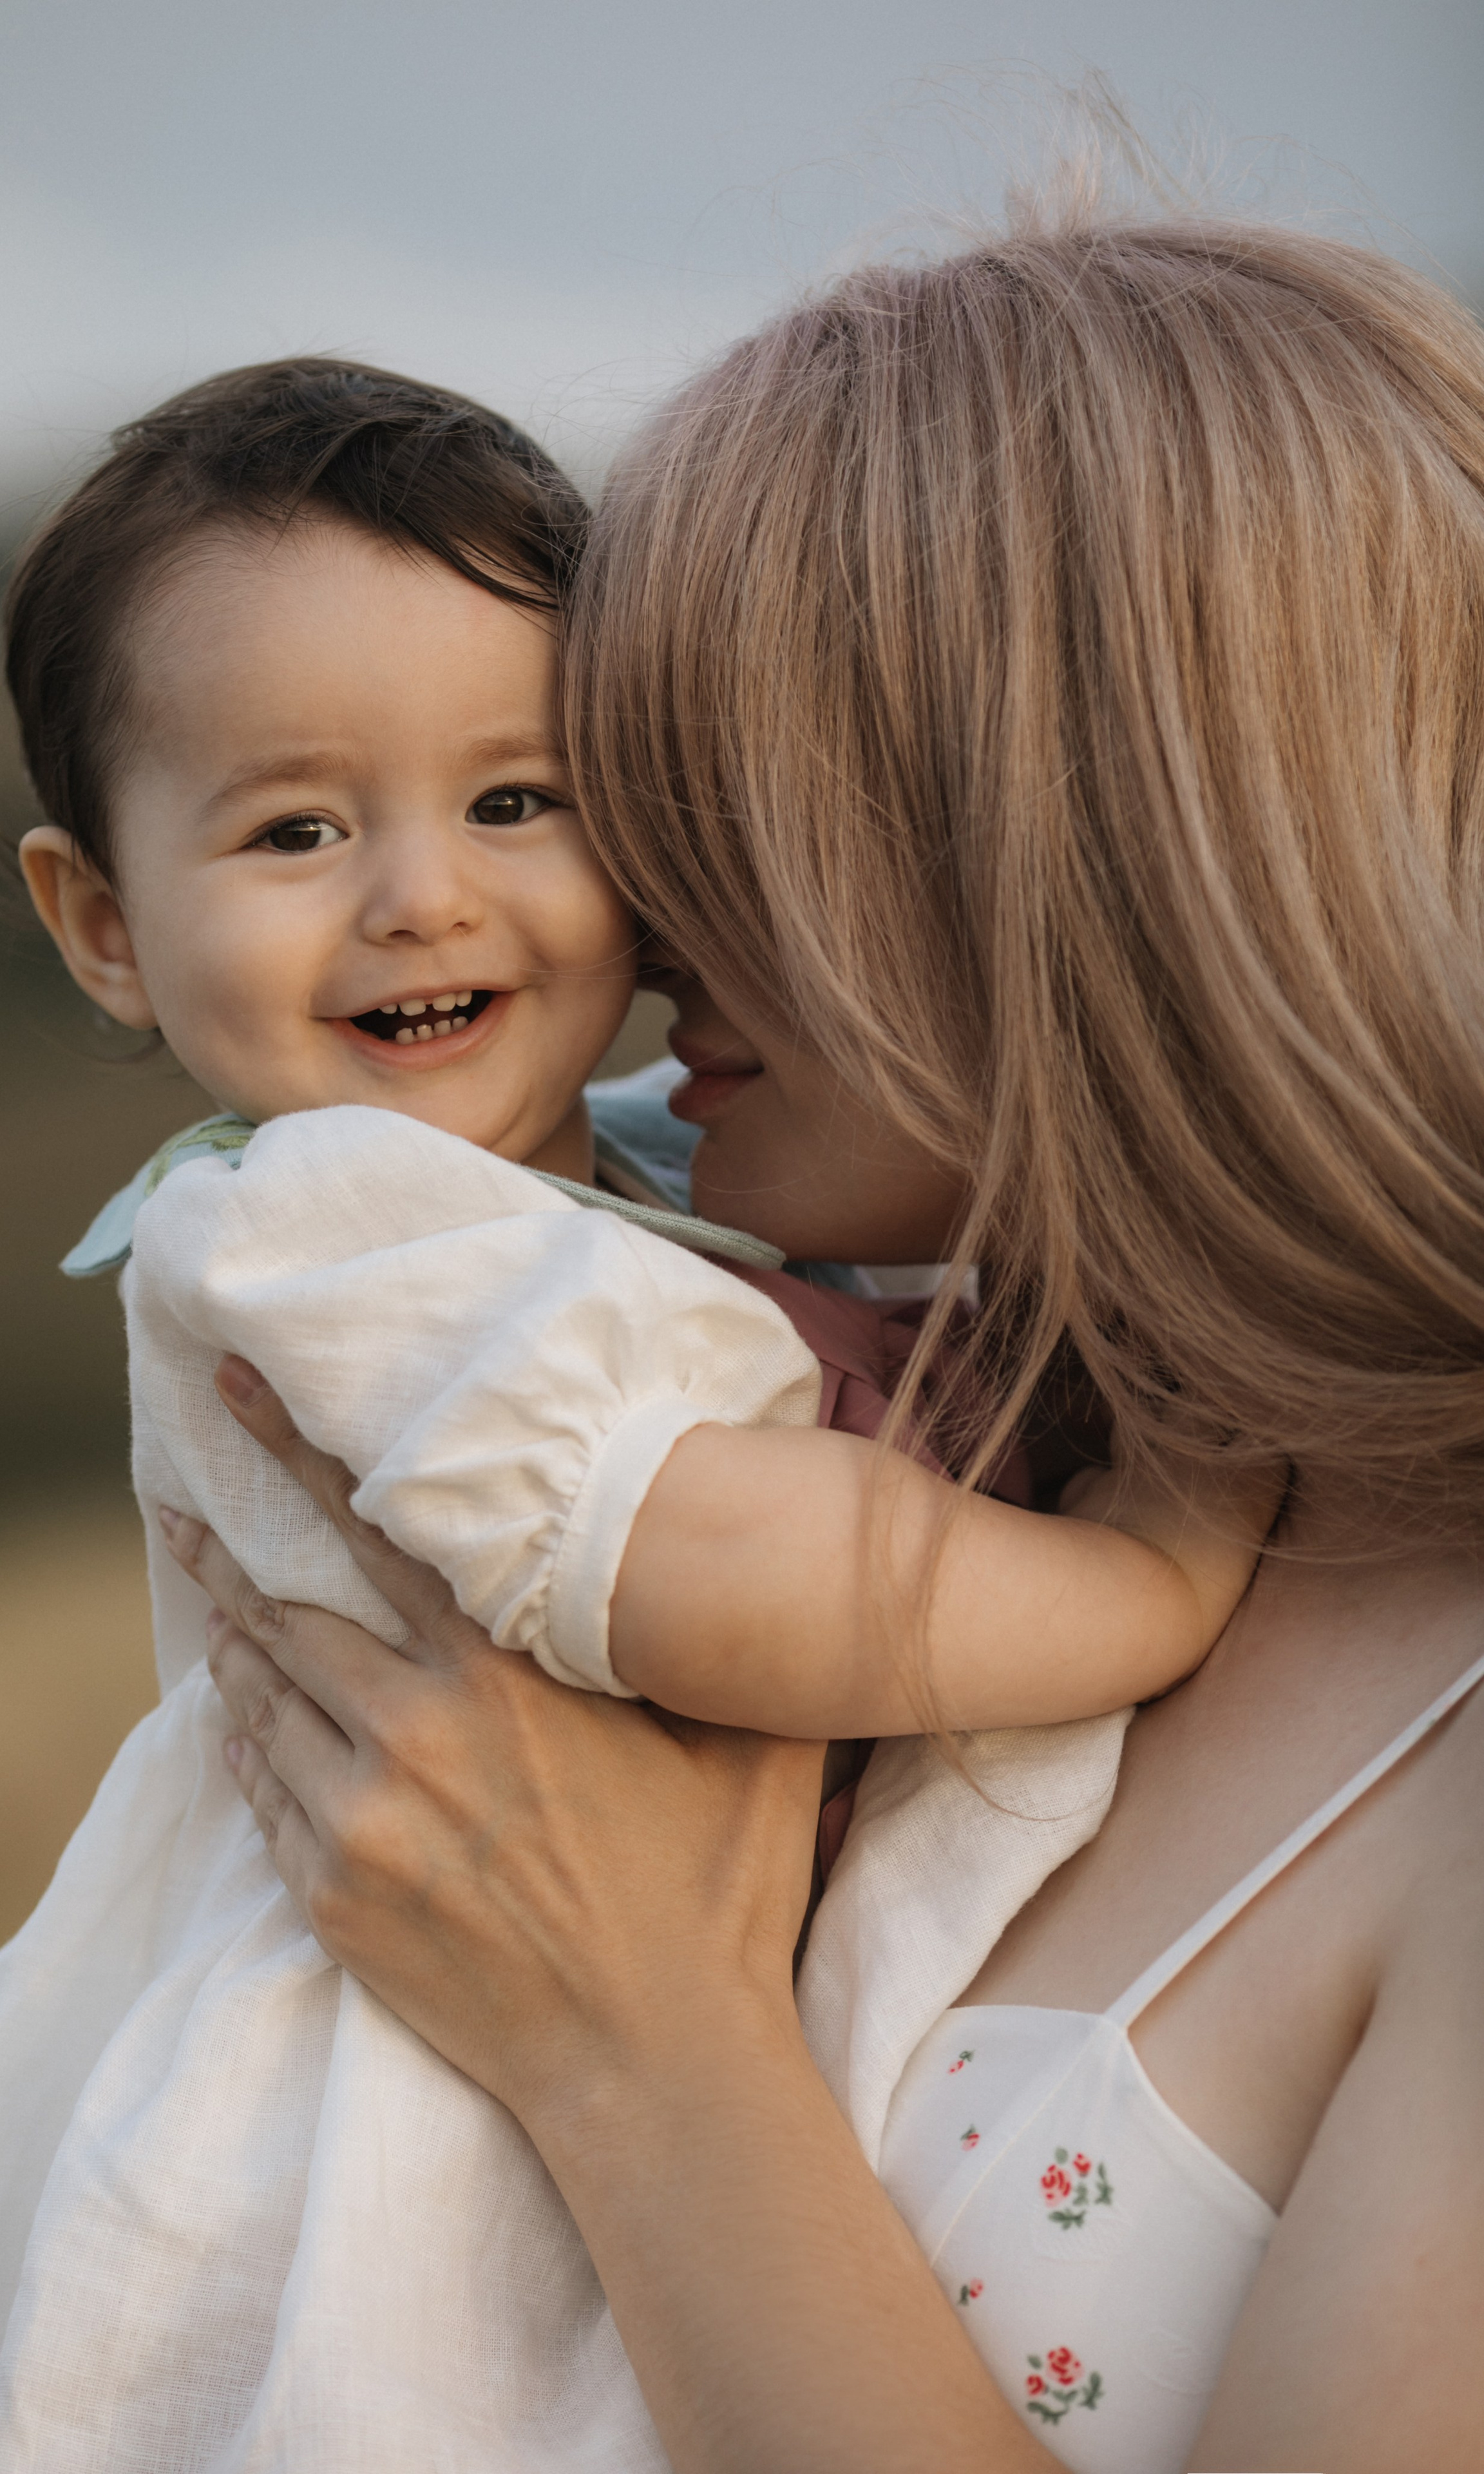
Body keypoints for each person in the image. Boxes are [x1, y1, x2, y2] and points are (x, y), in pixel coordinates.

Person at [0, 350, 1267, 2473]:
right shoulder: (326, 1229)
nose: (420, 893)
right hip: (402, 2126)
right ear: (106, 926)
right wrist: (1144, 1586)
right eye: (298, 828)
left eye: (515, 801)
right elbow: (703, 1575)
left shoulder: (645, 1177)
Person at [173, 211, 1484, 2474]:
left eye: (716, 802)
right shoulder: (955, 1444)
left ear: (1083, 838)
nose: (630, 919)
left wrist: (640, 2051)